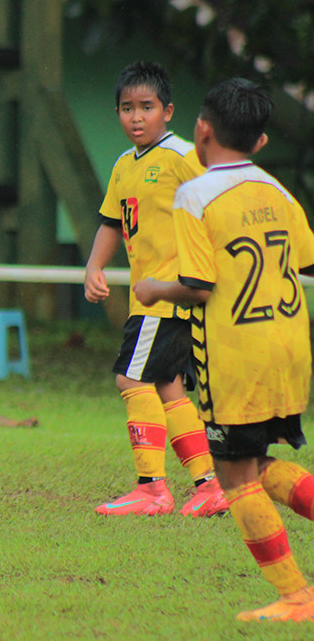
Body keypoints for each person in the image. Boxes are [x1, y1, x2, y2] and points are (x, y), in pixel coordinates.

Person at [135, 78, 314, 622]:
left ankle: (296, 597)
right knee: (255, 464)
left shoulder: (196, 193)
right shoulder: (279, 192)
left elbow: (198, 285)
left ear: (201, 129)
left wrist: (153, 288)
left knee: (235, 476)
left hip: (237, 353)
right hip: (290, 346)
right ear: (260, 142)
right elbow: (307, 260)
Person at [83, 61, 228, 517]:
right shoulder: (124, 165)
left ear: (167, 111)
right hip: (148, 298)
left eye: (146, 107)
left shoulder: (182, 156)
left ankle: (151, 489)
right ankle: (209, 486)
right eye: (127, 108)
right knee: (167, 386)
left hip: (167, 296)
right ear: (118, 113)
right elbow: (112, 221)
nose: (136, 116)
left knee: (132, 379)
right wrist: (94, 265)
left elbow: (220, 201)